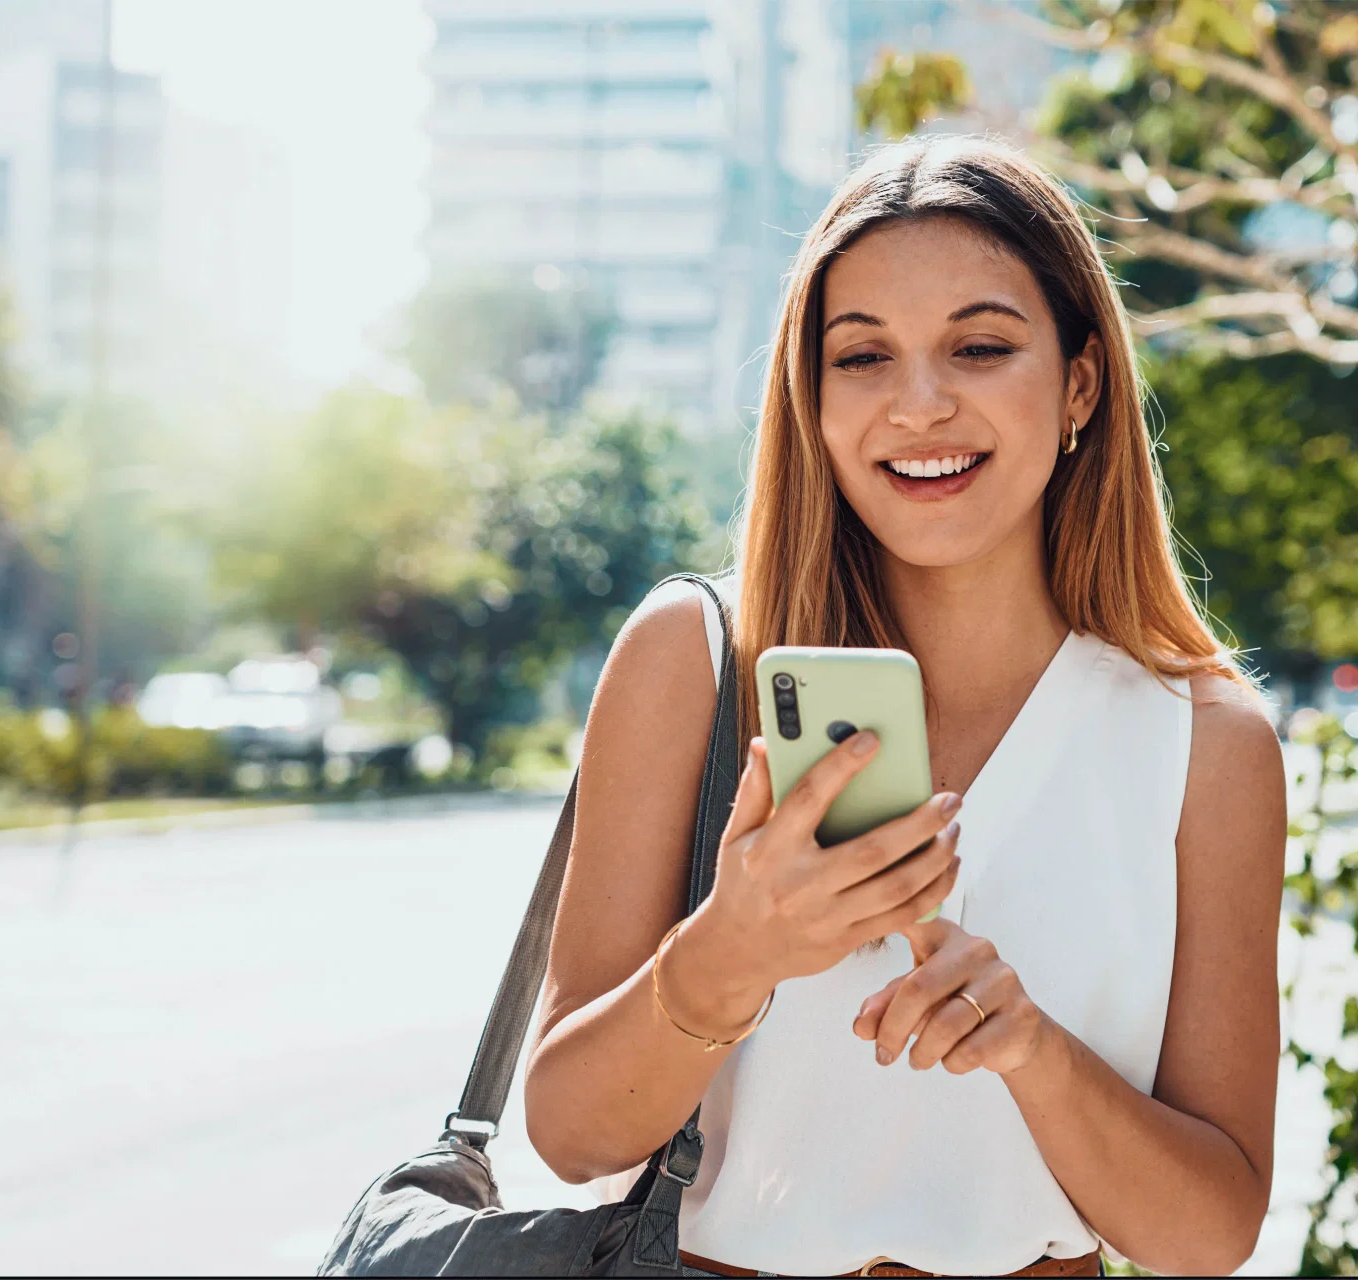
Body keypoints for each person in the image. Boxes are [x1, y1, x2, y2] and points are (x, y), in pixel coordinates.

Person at [524, 136, 1286, 1278]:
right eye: (862, 356)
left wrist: (1031, 1049)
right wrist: (730, 953)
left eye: (979, 346)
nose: (918, 406)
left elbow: (1210, 1233)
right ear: (813, 400)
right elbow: (572, 1137)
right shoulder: (693, 661)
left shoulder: (1206, 743)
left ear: (1080, 381)